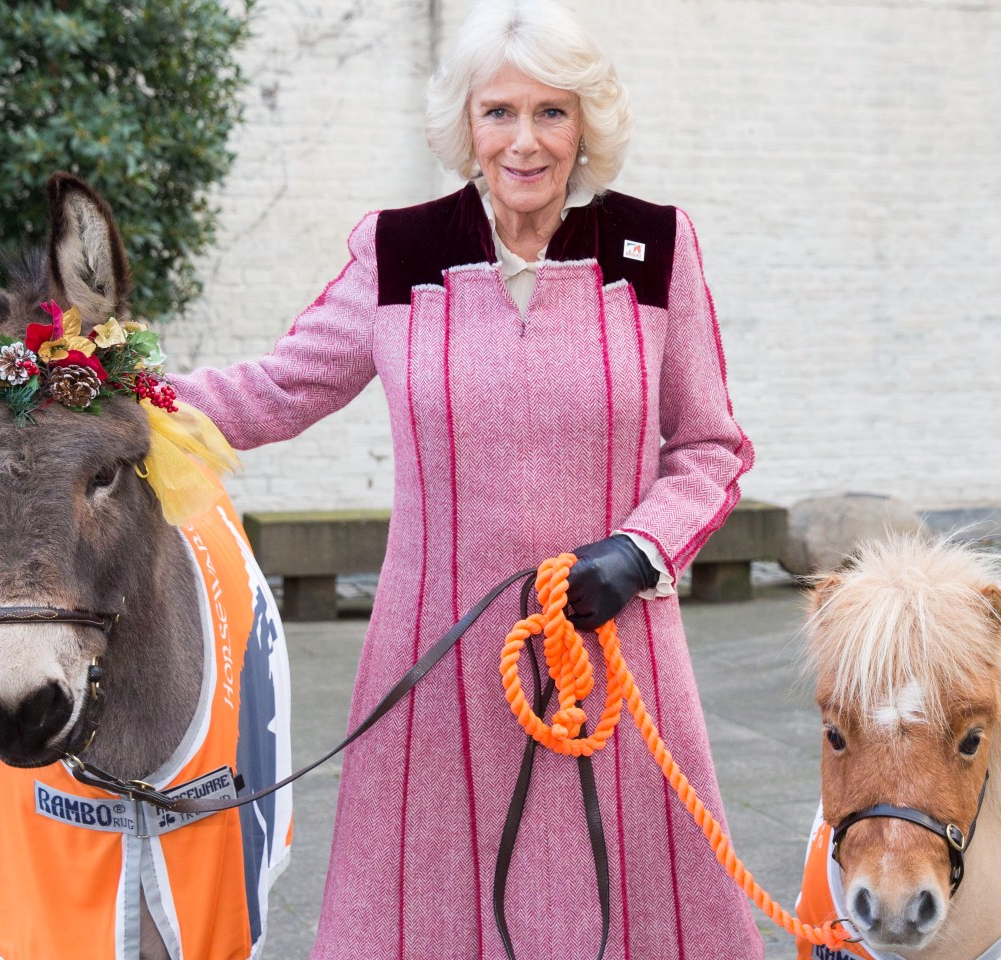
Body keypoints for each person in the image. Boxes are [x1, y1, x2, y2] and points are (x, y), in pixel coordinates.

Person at [173, 2, 760, 956]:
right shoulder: (398, 251)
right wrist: (103, 389)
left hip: (614, 651)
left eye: (551, 113)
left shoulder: (657, 247)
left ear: (587, 124)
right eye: (499, 113)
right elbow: (275, 389)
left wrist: (640, 549)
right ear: (467, 127)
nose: (524, 141)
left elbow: (709, 448)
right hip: (436, 654)